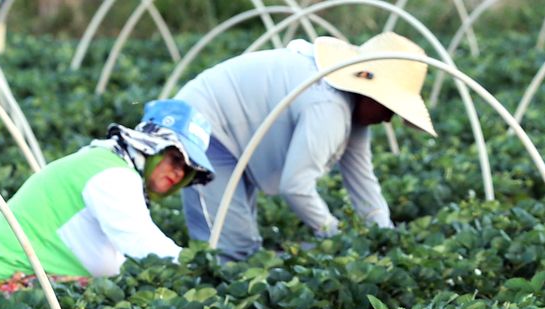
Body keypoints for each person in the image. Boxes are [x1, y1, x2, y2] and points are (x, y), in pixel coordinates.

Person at [174, 32, 435, 260]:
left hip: (236, 130)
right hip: (203, 124)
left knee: (240, 244)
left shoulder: (352, 110)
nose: (389, 118)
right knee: (228, 248)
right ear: (368, 93)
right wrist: (335, 234)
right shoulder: (328, 107)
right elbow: (295, 186)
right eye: (389, 106)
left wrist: (383, 235)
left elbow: (362, 180)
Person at [0, 99, 216, 308]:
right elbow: (143, 245)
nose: (179, 173)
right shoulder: (112, 174)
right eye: (175, 159)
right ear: (151, 148)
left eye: (188, 168)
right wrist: (204, 271)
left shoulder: (110, 165)